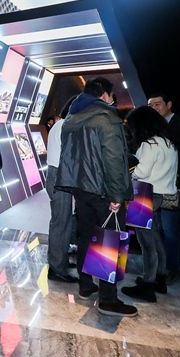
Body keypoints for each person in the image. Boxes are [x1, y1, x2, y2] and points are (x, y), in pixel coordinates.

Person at [55, 77, 136, 317]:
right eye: (111, 95)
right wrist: (116, 194)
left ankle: (85, 285)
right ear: (104, 94)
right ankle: (108, 300)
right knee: (109, 241)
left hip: (81, 190)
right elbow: (114, 159)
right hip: (104, 191)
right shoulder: (106, 119)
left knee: (85, 237)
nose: (112, 100)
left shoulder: (71, 119)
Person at [121, 106, 178, 302]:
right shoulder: (169, 143)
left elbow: (142, 172)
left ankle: (147, 285)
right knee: (155, 238)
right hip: (160, 196)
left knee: (146, 243)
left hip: (144, 195)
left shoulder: (149, 144)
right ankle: (159, 278)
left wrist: (128, 168)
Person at [147, 93, 180, 281]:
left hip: (176, 186)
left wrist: (167, 135)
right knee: (155, 229)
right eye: (150, 105)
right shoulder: (150, 127)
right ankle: (157, 269)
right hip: (154, 186)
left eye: (158, 104)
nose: (154, 108)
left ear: (169, 104)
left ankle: (170, 269)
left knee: (170, 230)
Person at [46, 96, 78, 283]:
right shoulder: (66, 126)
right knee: (61, 223)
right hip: (60, 176)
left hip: (56, 174)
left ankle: (59, 261)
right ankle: (57, 268)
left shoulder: (60, 125)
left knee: (61, 222)